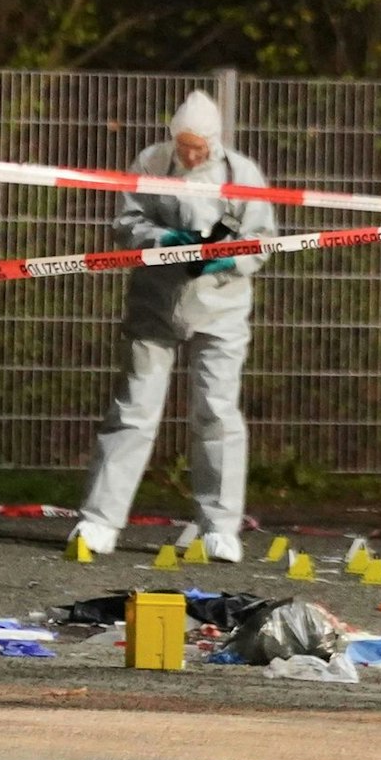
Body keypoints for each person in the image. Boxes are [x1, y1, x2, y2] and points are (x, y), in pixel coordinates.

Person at [68, 91, 275, 562]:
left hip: (221, 309)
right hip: (155, 307)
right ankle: (99, 520)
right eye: (184, 145)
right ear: (172, 137)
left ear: (215, 142)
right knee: (133, 410)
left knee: (217, 412)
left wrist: (225, 255)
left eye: (199, 146)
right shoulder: (150, 162)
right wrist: (166, 241)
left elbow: (262, 242)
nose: (191, 154)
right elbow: (126, 223)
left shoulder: (242, 175)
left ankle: (221, 526)